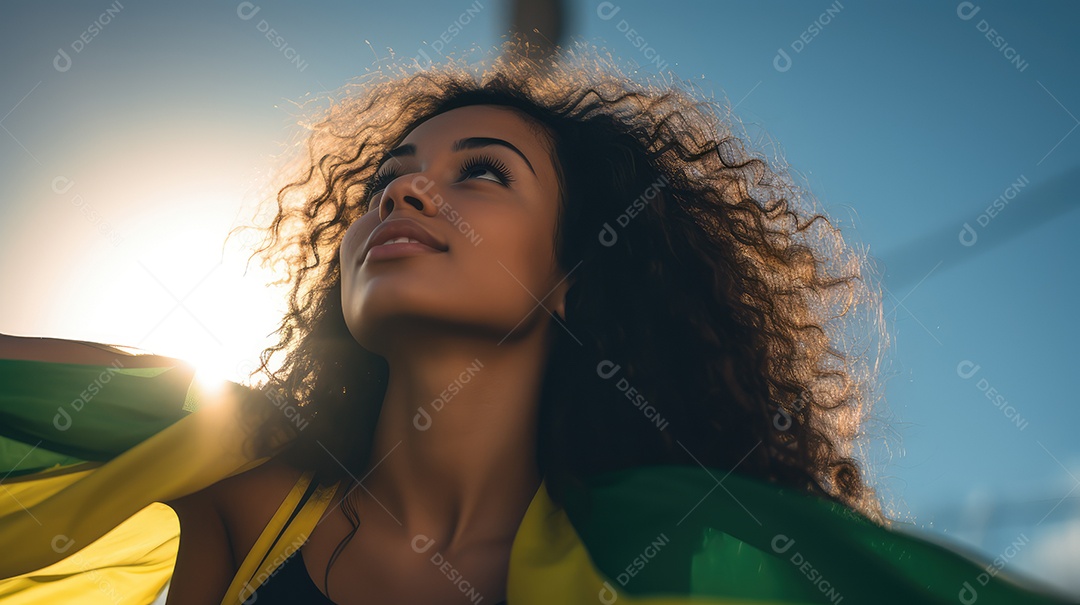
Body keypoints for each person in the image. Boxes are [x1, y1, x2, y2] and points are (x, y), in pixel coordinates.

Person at [1, 40, 1075, 604]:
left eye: (481, 174)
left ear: (574, 274)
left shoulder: (679, 551)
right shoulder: (240, 486)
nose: (403, 195)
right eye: (388, 176)